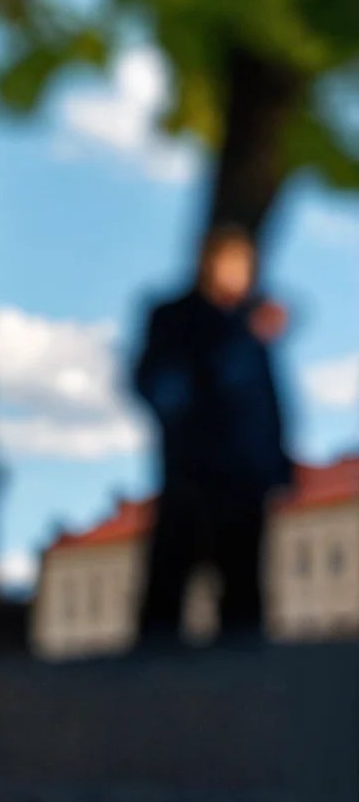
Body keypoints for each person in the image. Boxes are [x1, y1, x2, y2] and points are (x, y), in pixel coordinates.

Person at [131, 223, 292, 642]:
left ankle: (240, 689)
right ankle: (145, 687)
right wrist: (187, 428)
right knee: (170, 582)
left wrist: (276, 464)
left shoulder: (249, 324)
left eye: (245, 265)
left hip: (246, 474)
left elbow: (265, 404)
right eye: (230, 263)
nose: (239, 274)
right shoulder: (178, 319)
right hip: (194, 471)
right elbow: (158, 383)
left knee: (243, 590)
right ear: (208, 264)